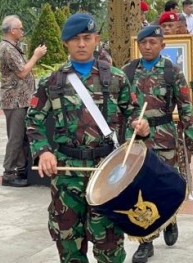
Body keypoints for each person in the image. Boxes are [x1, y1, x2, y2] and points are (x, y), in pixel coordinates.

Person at [27, 13, 149, 263]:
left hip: (107, 171)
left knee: (109, 244)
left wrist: (141, 126)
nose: (81, 44)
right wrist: (43, 151)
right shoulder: (51, 81)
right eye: (74, 39)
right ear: (65, 43)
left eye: (86, 38)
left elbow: (134, 112)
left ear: (96, 39)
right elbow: (33, 119)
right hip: (66, 172)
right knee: (69, 241)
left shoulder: (115, 78)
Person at [121, 24, 193, 262]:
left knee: (164, 184)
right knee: (139, 188)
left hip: (164, 137)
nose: (148, 46)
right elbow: (121, 107)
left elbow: (185, 107)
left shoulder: (172, 72)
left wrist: (191, 140)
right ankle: (146, 241)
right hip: (136, 140)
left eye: (153, 42)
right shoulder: (128, 71)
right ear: (138, 45)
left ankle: (169, 218)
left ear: (163, 45)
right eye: (144, 43)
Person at [0, 15, 47, 187]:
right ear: (12, 30)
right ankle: (9, 173)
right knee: (16, 137)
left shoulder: (14, 47)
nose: (22, 31)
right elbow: (22, 72)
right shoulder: (7, 49)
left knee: (24, 137)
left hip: (22, 99)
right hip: (14, 100)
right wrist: (36, 55)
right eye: (20, 28)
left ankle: (21, 169)